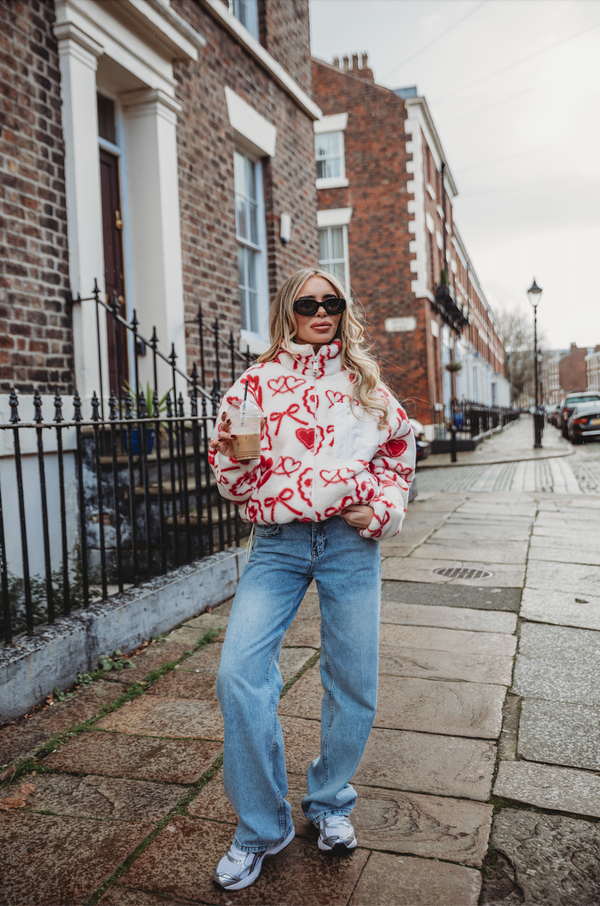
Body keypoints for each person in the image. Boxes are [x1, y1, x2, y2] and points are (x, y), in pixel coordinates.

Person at [208, 267, 415, 891]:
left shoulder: (365, 383)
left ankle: (329, 804)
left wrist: (380, 508)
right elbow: (229, 474)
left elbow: (399, 452)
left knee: (353, 678)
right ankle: (261, 829)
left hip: (350, 543)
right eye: (308, 303)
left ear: (343, 310)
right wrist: (241, 467)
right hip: (279, 544)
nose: (321, 312)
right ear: (288, 311)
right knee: (239, 674)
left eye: (332, 302)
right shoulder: (255, 384)